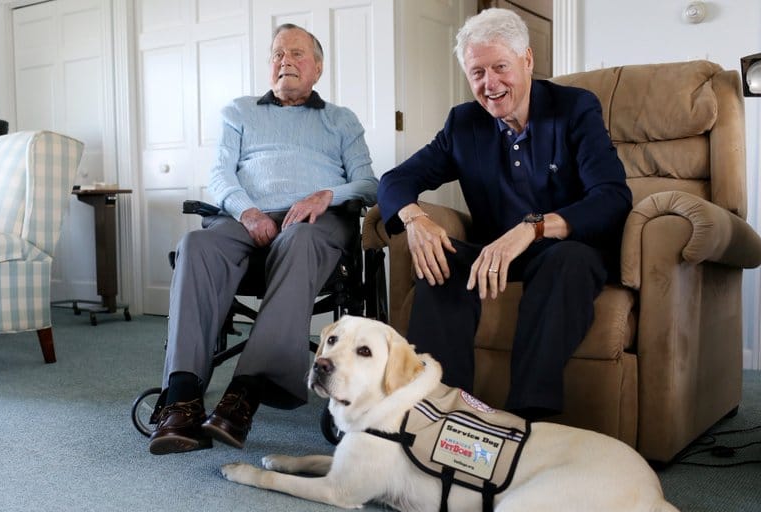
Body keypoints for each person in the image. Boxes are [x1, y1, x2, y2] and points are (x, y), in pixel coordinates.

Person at [377, 8, 631, 421]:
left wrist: (533, 228)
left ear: (527, 60)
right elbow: (394, 180)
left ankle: (530, 416)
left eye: (500, 67)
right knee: (439, 260)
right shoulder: (464, 123)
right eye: (477, 72)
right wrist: (415, 220)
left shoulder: (574, 108)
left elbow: (612, 197)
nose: (489, 84)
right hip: (493, 253)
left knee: (569, 260)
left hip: (563, 249)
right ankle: (436, 409)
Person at [149, 23, 378, 454]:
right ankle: (181, 398)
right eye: (277, 54)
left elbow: (369, 184)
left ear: (318, 67)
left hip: (315, 223)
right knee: (195, 246)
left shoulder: (340, 120)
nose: (285, 61)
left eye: (296, 54)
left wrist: (327, 195)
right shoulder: (239, 112)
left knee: (301, 241)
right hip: (248, 219)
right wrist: (247, 210)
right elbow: (219, 174)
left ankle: (244, 394)